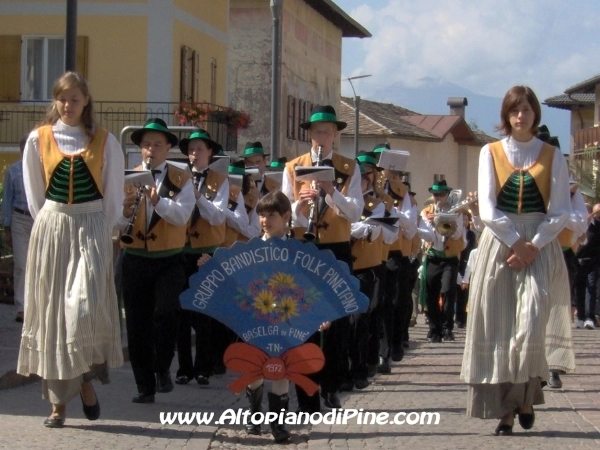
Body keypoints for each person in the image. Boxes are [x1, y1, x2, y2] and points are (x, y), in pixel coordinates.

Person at [460, 85, 575, 436]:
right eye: (514, 110)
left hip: (539, 243)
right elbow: (488, 207)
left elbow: (560, 210)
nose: (520, 116)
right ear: (506, 115)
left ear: (535, 113)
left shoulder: (552, 155)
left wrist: (533, 245)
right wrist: (514, 242)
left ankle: (526, 397)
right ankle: (509, 409)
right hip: (500, 243)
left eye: (526, 109)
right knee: (499, 327)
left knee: (531, 322)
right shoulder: (491, 152)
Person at [17, 71, 124, 427]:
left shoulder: (105, 141)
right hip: (53, 227)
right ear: (56, 101)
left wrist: (102, 230)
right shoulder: (39, 139)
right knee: (53, 318)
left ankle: (84, 381)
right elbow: (35, 195)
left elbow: (113, 197)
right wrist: (52, 226)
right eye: (62, 99)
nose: (67, 105)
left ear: (86, 102)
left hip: (91, 226)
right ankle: (58, 404)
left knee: (82, 312)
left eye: (74, 99)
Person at [282, 104, 363, 411]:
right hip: (303, 250)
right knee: (304, 321)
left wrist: (332, 192)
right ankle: (307, 397)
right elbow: (283, 213)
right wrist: (300, 206)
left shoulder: (349, 167)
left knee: (338, 322)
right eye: (317, 132)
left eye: (327, 132)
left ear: (335, 136)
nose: (321, 138)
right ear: (310, 136)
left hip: (337, 250)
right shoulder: (293, 167)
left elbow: (354, 212)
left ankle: (332, 386)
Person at [118, 118, 195, 404]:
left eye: (157, 145)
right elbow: (114, 222)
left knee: (166, 313)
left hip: (169, 259)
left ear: (168, 148)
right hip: (135, 258)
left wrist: (157, 201)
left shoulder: (182, 178)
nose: (151, 150)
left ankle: (162, 366)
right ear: (140, 148)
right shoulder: (128, 178)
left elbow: (182, 215)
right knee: (137, 324)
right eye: (147, 145)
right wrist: (125, 213)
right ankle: (145, 386)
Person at [175, 129, 228, 386]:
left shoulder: (220, 180)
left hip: (207, 252)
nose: (194, 154)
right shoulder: (178, 178)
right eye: (191, 150)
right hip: (182, 250)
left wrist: (198, 197)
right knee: (181, 312)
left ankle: (203, 367)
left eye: (199, 149)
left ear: (210, 153)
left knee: (204, 311)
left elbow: (217, 216)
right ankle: (184, 367)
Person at [349, 154, 397, 389]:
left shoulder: (379, 204)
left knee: (367, 316)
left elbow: (385, 233)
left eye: (367, 174)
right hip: (344, 264)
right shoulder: (342, 201)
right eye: (359, 175)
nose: (363, 179)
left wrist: (354, 228)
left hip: (370, 264)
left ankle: (367, 363)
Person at [418, 180, 465, 343]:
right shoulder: (426, 212)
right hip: (433, 256)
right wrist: (431, 223)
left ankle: (447, 328)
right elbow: (425, 235)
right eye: (435, 195)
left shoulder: (457, 212)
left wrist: (451, 225)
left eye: (441, 195)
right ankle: (434, 329)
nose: (438, 198)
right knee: (431, 294)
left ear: (447, 195)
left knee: (447, 291)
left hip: (449, 258)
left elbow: (458, 235)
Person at [2, 135, 34, 323]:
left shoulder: (43, 169)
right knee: (22, 265)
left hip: (39, 219)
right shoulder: (13, 171)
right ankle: (22, 308)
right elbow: (7, 200)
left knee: (39, 264)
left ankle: (37, 306)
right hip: (20, 219)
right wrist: (7, 228)